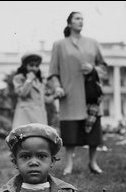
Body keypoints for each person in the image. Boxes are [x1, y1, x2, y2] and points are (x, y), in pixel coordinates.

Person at [48, 11, 107, 175]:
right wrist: (57, 86)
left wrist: (93, 69)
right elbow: (53, 71)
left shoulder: (93, 43)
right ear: (69, 23)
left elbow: (104, 68)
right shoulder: (59, 44)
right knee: (70, 131)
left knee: (94, 130)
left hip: (91, 94)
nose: (81, 21)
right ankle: (69, 164)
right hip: (70, 94)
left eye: (82, 19)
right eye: (77, 18)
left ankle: (93, 162)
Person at [12, 53, 53, 129]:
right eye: (31, 65)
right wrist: (29, 80)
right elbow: (22, 94)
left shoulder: (39, 81)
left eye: (37, 66)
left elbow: (44, 99)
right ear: (25, 65)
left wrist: (55, 96)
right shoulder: (19, 78)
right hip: (26, 118)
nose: (34, 68)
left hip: (40, 117)